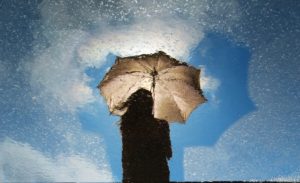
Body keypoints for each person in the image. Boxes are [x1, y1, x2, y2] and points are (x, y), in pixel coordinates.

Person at [121, 88, 172, 182]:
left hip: (133, 170)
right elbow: (168, 153)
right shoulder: (160, 121)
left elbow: (126, 151)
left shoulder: (127, 121)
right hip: (155, 169)